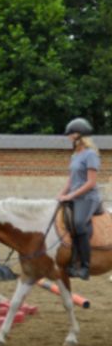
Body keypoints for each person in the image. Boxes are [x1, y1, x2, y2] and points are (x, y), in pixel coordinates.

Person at [58, 117, 102, 280]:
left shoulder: (91, 155)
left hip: (89, 198)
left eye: (70, 134)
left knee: (78, 223)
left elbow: (91, 183)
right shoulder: (75, 155)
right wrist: (61, 194)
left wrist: (70, 195)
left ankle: (85, 266)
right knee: (65, 222)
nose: (68, 137)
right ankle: (72, 261)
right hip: (75, 197)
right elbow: (71, 180)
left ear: (78, 135)